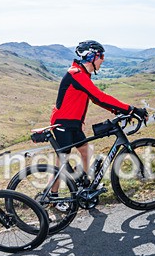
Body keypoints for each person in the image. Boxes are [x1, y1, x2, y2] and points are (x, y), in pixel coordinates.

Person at [49, 40, 147, 193]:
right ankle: (51, 197)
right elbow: (100, 97)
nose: (103, 59)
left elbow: (95, 100)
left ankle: (83, 185)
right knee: (62, 160)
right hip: (62, 124)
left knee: (86, 152)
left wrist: (119, 111)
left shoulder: (84, 74)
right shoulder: (76, 74)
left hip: (73, 123)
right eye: (101, 56)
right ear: (91, 57)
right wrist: (131, 109)